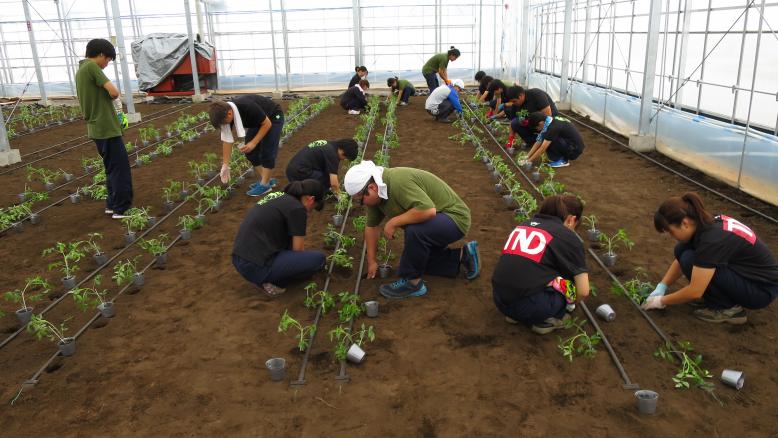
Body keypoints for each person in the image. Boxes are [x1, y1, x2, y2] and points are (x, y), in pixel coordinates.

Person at [344, 161, 479, 299]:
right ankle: (464, 255)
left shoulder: (397, 183)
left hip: (454, 218)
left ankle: (412, 283)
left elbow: (428, 210)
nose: (362, 204)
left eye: (361, 200)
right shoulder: (377, 195)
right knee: (419, 260)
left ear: (371, 187)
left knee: (415, 230)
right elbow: (371, 227)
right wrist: (371, 261)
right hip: (437, 222)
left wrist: (393, 222)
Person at [642, 192, 778, 324]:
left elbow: (695, 291)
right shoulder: (705, 221)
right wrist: (662, 285)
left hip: (760, 290)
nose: (672, 236)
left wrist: (660, 301)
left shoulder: (711, 241)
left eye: (671, 231)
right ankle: (714, 297)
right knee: (682, 249)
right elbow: (679, 260)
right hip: (746, 276)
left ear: (685, 223)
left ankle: (729, 309)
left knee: (690, 259)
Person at [492, 195, 590, 334]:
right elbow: (583, 291)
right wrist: (570, 303)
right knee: (567, 284)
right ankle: (546, 320)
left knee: (536, 270)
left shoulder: (523, 225)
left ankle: (515, 315)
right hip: (532, 308)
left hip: (500, 300)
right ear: (571, 220)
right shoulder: (567, 236)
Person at [231, 179, 326, 297]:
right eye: (313, 207)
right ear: (311, 199)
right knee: (318, 260)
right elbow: (298, 251)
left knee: (289, 243)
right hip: (255, 266)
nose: (310, 212)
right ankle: (269, 281)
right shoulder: (297, 209)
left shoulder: (278, 195)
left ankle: (267, 275)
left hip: (239, 258)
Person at [75, 38, 133, 219]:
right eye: (107, 60)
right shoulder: (92, 67)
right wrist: (112, 98)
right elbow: (114, 92)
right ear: (100, 54)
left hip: (97, 128)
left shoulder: (81, 71)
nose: (107, 64)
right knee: (120, 168)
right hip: (106, 127)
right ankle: (121, 209)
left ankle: (112, 204)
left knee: (111, 168)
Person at [209, 95, 284, 197]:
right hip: (258, 122)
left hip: (273, 117)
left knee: (268, 151)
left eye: (224, 123)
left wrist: (254, 142)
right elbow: (227, 140)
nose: (224, 125)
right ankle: (266, 180)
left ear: (229, 113)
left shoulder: (246, 106)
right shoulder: (226, 113)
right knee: (250, 152)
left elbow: (267, 124)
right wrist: (225, 165)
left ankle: (265, 185)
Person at [286, 139, 359, 195]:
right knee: (326, 179)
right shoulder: (332, 155)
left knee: (327, 176)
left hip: (292, 169)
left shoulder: (331, 144)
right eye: (346, 158)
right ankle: (316, 194)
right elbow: (333, 183)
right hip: (299, 172)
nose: (344, 160)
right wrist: (339, 195)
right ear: (343, 152)